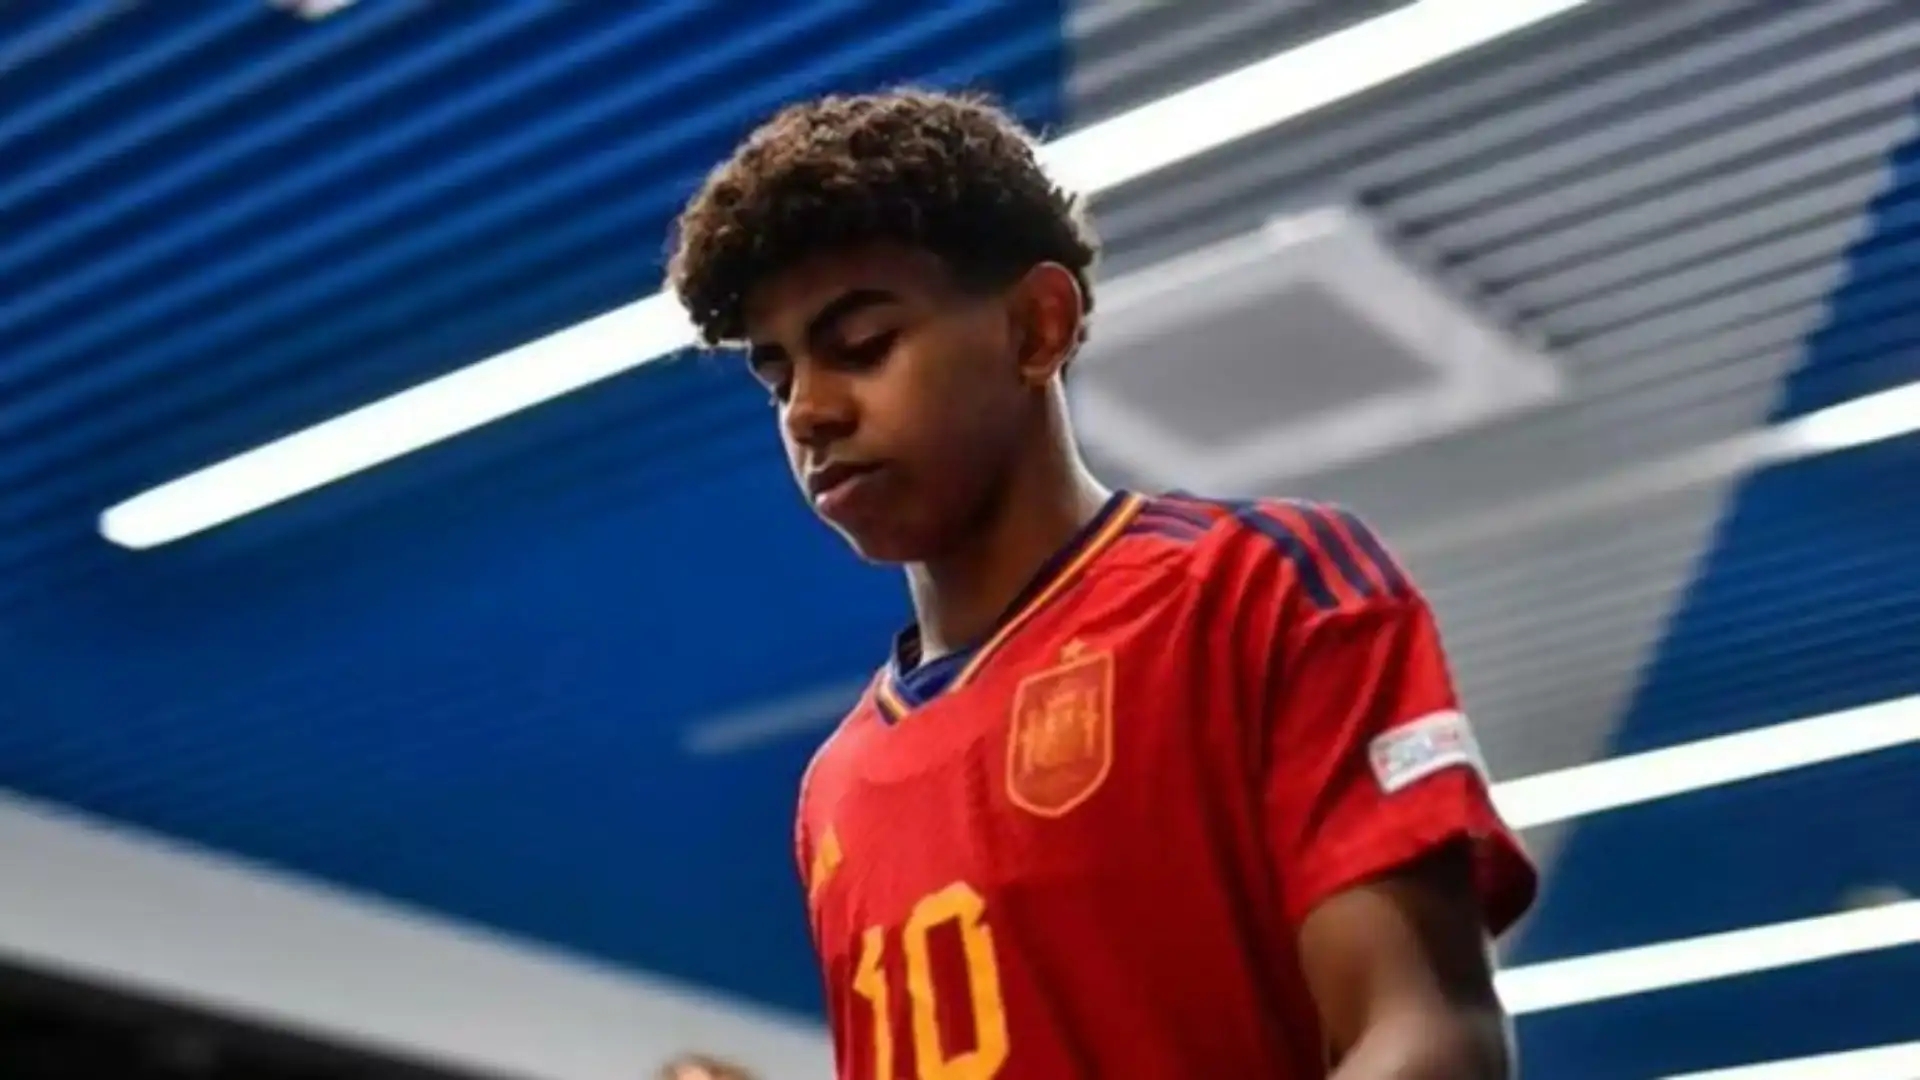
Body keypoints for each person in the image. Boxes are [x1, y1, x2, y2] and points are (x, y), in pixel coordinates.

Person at [667, 88, 1539, 1079]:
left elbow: (1431, 1035)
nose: (808, 411)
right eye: (778, 378)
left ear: (1037, 328)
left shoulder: (1260, 589)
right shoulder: (835, 787)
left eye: (861, 346)